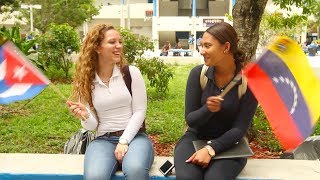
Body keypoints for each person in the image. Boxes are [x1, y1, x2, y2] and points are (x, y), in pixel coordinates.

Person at [66, 24, 154, 180]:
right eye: (112, 42)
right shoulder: (85, 81)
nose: (119, 46)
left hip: (135, 137)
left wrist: (124, 141)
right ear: (97, 48)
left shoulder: (130, 73)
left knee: (136, 171)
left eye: (120, 41)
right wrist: (85, 116)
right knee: (95, 177)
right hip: (103, 140)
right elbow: (92, 126)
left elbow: (140, 111)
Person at [174, 22, 258, 180]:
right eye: (201, 45)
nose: (201, 51)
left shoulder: (249, 81)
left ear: (226, 47)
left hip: (230, 144)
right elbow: (191, 120)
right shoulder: (198, 74)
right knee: (187, 177)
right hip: (195, 138)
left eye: (207, 46)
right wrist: (208, 109)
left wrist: (210, 149)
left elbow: (239, 129)